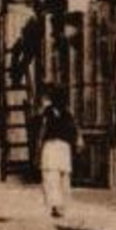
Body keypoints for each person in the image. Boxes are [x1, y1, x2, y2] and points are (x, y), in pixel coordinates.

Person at [37, 85, 78, 218]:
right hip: (64, 148)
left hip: (51, 147)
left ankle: (55, 205)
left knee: (50, 176)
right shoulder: (67, 112)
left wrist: (38, 147)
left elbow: (43, 130)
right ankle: (62, 206)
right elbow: (74, 129)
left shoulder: (47, 112)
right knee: (64, 177)